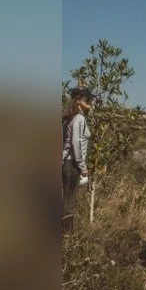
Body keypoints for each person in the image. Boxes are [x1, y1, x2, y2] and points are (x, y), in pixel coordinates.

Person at [61, 86, 94, 235]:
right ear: (79, 100)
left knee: (67, 200)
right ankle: (67, 238)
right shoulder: (79, 118)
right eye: (88, 100)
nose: (91, 103)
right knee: (68, 203)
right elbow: (76, 143)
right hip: (72, 164)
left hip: (67, 163)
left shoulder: (71, 117)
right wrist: (83, 167)